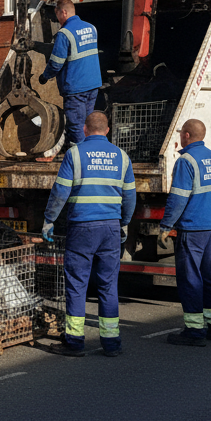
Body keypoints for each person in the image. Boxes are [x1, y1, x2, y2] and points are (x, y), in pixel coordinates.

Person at [41, 111, 135, 357]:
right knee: (108, 285)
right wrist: (124, 223)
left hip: (82, 227)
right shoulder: (122, 157)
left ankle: (74, 341)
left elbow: (60, 191)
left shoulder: (75, 154)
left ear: (84, 129)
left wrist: (49, 220)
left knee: (77, 283)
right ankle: (111, 343)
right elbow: (130, 196)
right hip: (110, 228)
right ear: (107, 130)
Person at [157, 119, 211, 347]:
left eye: (181, 133)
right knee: (207, 274)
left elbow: (178, 198)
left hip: (193, 226)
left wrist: (166, 226)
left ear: (186, 135)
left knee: (190, 278)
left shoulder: (186, 161)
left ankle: (195, 330)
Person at [38, 0, 102, 148]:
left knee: (76, 125)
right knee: (87, 123)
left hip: (76, 87)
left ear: (64, 12)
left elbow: (56, 63)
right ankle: (91, 151)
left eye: (57, 14)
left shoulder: (64, 33)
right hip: (93, 84)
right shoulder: (91, 28)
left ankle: (83, 155)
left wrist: (45, 76)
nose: (57, 19)